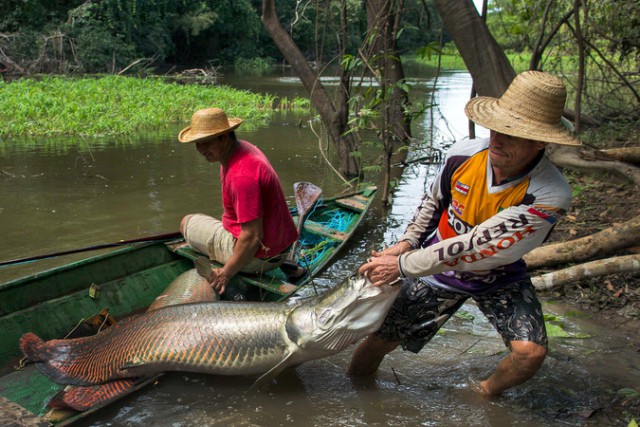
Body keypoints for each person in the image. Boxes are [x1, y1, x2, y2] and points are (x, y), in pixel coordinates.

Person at [347, 71, 582, 397]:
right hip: (434, 269)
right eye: (497, 129)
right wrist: (405, 244)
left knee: (531, 353)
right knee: (378, 342)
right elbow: (433, 204)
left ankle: (483, 393)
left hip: (498, 275)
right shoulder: (464, 154)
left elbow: (475, 246)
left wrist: (401, 266)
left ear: (540, 141)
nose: (498, 140)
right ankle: (359, 396)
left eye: (512, 135)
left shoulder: (548, 194)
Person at [178, 107, 299, 295]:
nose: (200, 150)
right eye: (197, 143)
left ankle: (244, 264)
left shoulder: (241, 176)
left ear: (224, 138)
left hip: (258, 258)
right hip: (280, 249)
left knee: (187, 222)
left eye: (205, 143)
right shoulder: (244, 148)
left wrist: (226, 273)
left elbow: (251, 236)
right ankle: (287, 266)